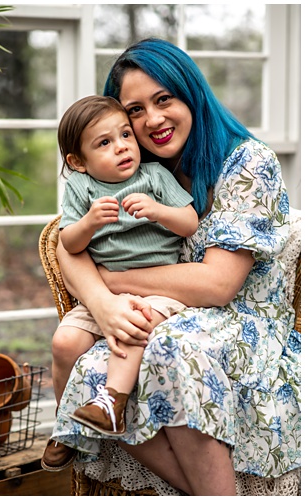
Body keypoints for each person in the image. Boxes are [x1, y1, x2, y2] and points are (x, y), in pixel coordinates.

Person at [47, 38, 295, 495]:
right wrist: (102, 305)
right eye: (135, 111)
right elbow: (66, 244)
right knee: (88, 364)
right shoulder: (140, 166)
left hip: (244, 321)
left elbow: (218, 285)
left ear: (191, 93)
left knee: (170, 351)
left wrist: (113, 280)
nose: (152, 120)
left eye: (164, 99)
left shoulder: (247, 162)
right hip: (163, 310)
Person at [40, 95, 197, 468]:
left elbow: (189, 222)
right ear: (78, 161)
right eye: (105, 143)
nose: (123, 146)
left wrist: (159, 211)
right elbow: (69, 243)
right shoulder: (81, 188)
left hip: (159, 291)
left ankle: (113, 403)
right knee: (64, 341)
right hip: (103, 294)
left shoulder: (155, 176)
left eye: (125, 134)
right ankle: (66, 426)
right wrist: (89, 223)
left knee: (134, 325)